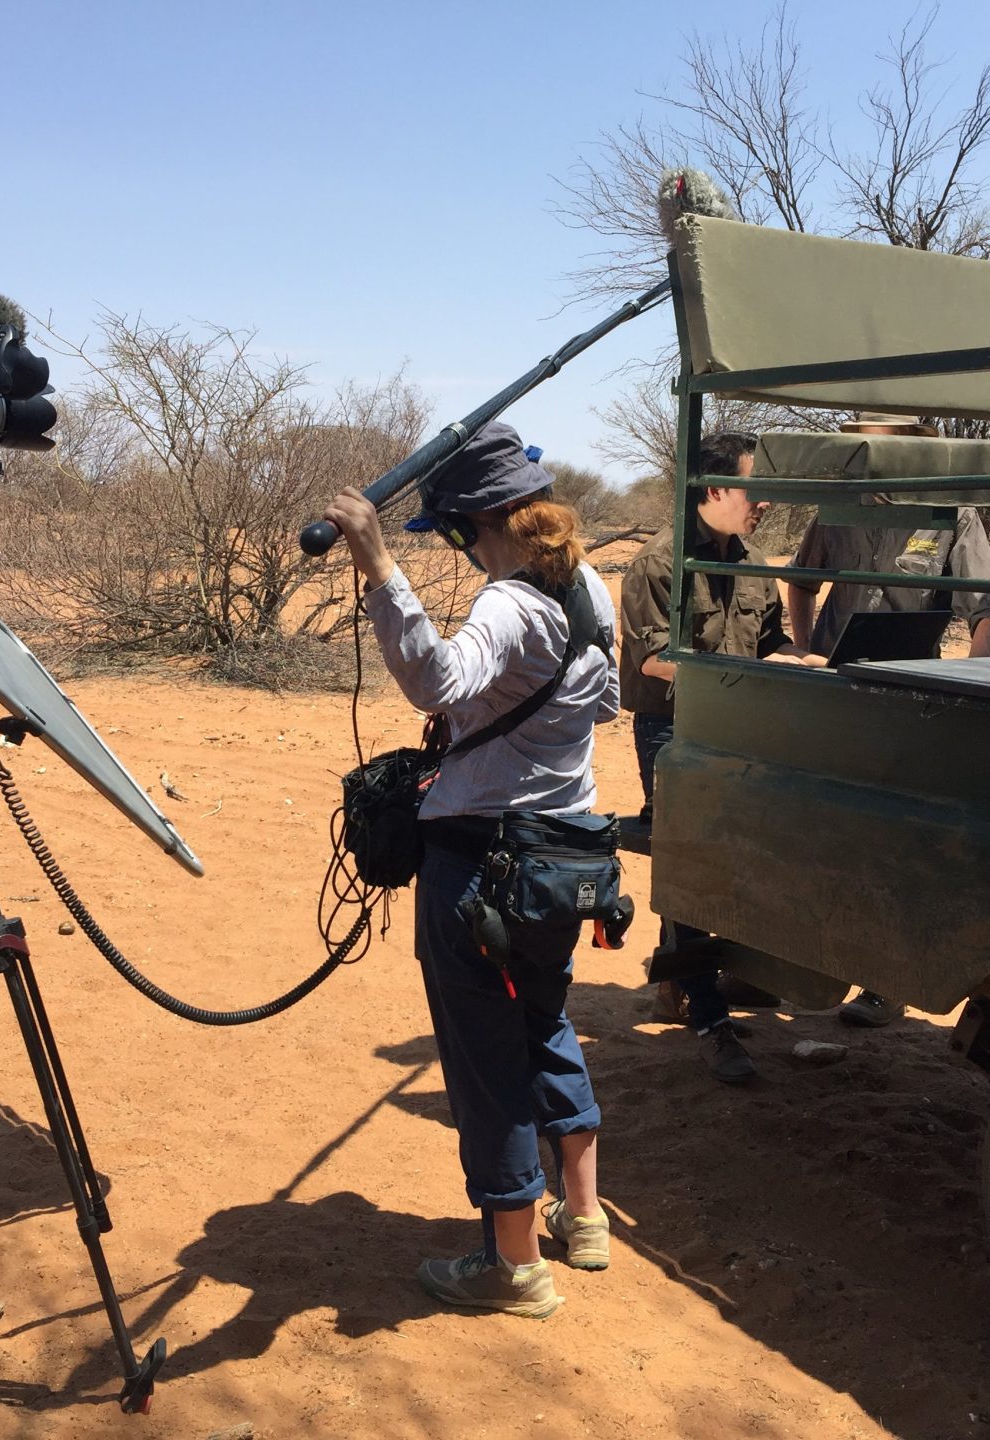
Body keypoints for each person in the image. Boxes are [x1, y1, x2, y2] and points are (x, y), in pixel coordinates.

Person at [322, 422, 617, 1317]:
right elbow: (604, 696)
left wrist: (378, 565)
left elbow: (435, 681)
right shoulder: (588, 588)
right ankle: (585, 1218)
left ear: (469, 526)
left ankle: (513, 1264)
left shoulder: (510, 604)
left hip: (483, 867)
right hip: (565, 859)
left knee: (486, 1060)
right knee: (546, 1025)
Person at [783, 416, 990, 1028]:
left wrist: (970, 681)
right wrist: (806, 648)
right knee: (822, 827)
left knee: (899, 842)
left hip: (909, 697)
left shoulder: (950, 513)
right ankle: (811, 965)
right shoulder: (838, 508)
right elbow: (801, 582)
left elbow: (987, 608)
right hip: (836, 689)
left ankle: (889, 984)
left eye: (882, 439)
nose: (869, 452)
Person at [617, 430, 823, 1081]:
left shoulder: (751, 560)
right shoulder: (658, 565)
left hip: (738, 733)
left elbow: (769, 642)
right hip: (675, 733)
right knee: (697, 867)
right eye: (753, 491)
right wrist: (742, 675)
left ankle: (681, 980)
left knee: (729, 858)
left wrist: (807, 660)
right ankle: (711, 1020)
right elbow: (654, 659)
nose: (763, 504)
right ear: (715, 489)